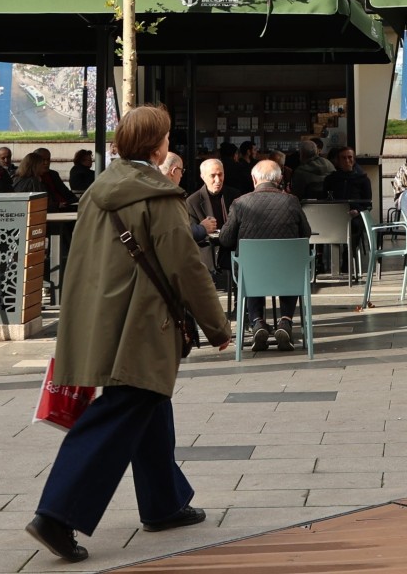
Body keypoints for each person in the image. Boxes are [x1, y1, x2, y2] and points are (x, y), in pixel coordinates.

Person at [27, 104, 229, 564]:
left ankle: (164, 503)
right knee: (125, 406)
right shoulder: (159, 196)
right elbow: (187, 268)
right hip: (143, 322)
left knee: (149, 401)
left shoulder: (97, 191)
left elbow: (82, 263)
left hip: (100, 317)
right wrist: (217, 326)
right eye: (166, 137)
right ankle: (56, 514)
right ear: (157, 147)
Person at [216, 160, 313, 353]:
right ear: (279, 179)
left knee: (249, 268)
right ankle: (285, 322)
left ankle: (257, 322)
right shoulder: (291, 201)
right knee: (289, 265)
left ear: (254, 179)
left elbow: (225, 239)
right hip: (288, 275)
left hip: (251, 275)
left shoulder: (240, 203)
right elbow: (306, 233)